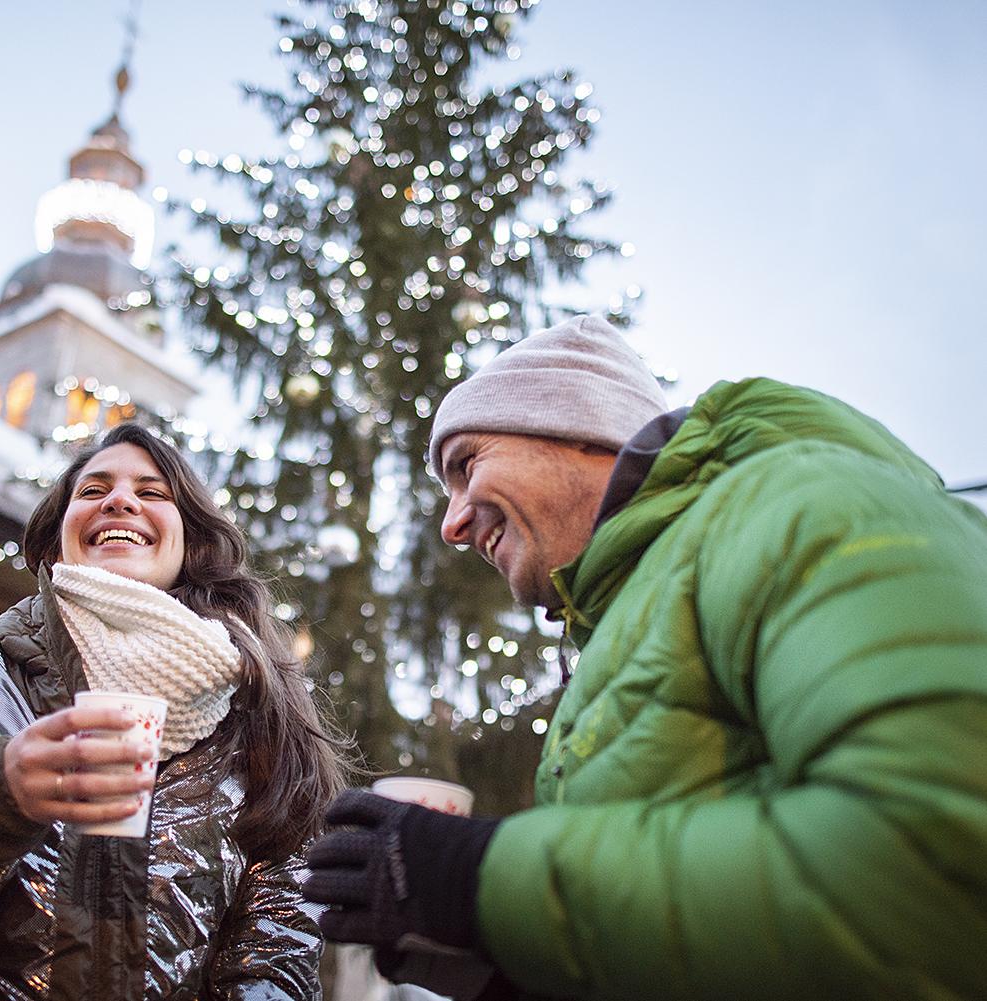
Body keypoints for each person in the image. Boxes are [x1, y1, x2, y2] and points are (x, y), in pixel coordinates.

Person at [304, 314, 987, 999]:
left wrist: (480, 880)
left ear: (577, 428)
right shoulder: (617, 638)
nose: (452, 524)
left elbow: (939, 870)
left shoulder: (799, 508)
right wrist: (499, 964)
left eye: (466, 464)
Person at [0, 421, 352, 1000]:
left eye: (153, 493)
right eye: (92, 490)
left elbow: (276, 964)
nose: (120, 500)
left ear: (193, 544)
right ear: (57, 542)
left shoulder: (251, 728)